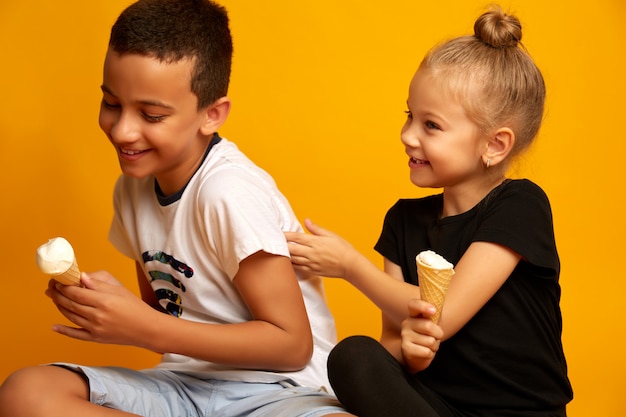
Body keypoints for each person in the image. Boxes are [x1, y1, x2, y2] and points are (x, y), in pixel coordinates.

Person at [0, 1, 350, 416]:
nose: (123, 130)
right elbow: (164, 313)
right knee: (27, 392)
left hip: (280, 391)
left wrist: (145, 328)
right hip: (183, 385)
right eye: (112, 104)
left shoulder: (228, 192)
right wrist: (107, 308)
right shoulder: (131, 191)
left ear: (212, 115)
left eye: (151, 114)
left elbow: (292, 346)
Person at [285, 5, 573, 417]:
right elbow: (390, 345)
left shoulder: (520, 205)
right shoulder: (402, 221)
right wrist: (411, 353)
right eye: (409, 116)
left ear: (494, 145)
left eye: (431, 125)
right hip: (438, 407)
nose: (407, 136)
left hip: (520, 411)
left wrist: (351, 266)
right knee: (353, 358)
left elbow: (445, 313)